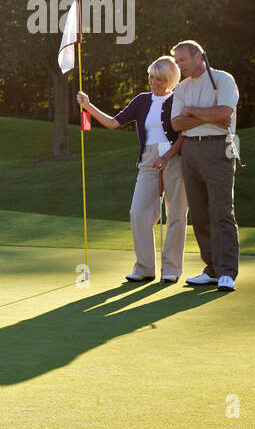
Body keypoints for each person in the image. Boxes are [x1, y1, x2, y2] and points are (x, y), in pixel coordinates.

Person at [77, 56, 187, 283]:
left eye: (158, 78)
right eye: (150, 76)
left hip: (175, 158)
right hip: (147, 159)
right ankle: (145, 268)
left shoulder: (180, 99)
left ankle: (172, 269)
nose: (152, 82)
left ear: (170, 79)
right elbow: (113, 123)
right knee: (139, 212)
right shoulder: (142, 100)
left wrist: (167, 156)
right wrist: (88, 106)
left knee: (176, 213)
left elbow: (185, 134)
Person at [168, 40, 240, 292]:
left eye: (183, 60)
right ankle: (211, 268)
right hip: (190, 150)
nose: (180, 65)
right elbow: (176, 124)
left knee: (221, 211)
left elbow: (224, 116)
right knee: (199, 213)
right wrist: (205, 114)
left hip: (218, 147)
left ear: (199, 56)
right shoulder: (181, 88)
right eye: (176, 61)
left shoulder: (223, 80)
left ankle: (227, 272)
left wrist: (191, 112)